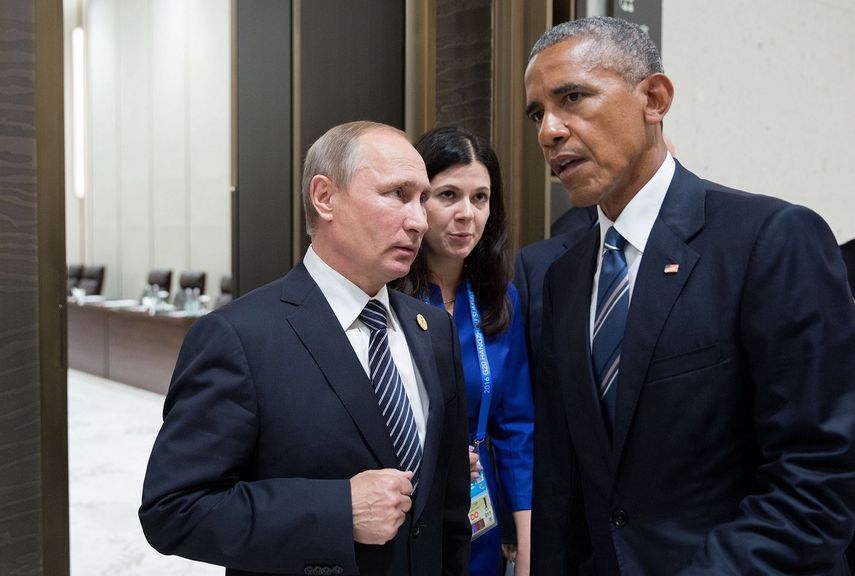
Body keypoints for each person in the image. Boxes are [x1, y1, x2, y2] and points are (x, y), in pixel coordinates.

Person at [524, 16, 855, 575]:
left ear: (654, 98)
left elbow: (819, 480)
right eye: (538, 113)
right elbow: (565, 488)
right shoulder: (564, 277)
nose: (549, 131)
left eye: (573, 98)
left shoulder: (769, 240)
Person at [139, 121, 471, 576]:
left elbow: (449, 510)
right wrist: (338, 511)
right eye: (397, 194)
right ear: (325, 197)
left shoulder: (432, 329)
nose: (418, 220)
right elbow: (174, 509)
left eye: (422, 198)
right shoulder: (240, 337)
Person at [394, 126, 534, 576]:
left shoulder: (499, 299)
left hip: (478, 502)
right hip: (402, 501)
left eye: (480, 198)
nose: (466, 215)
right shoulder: (385, 295)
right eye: (448, 195)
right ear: (417, 200)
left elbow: (516, 426)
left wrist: (527, 541)